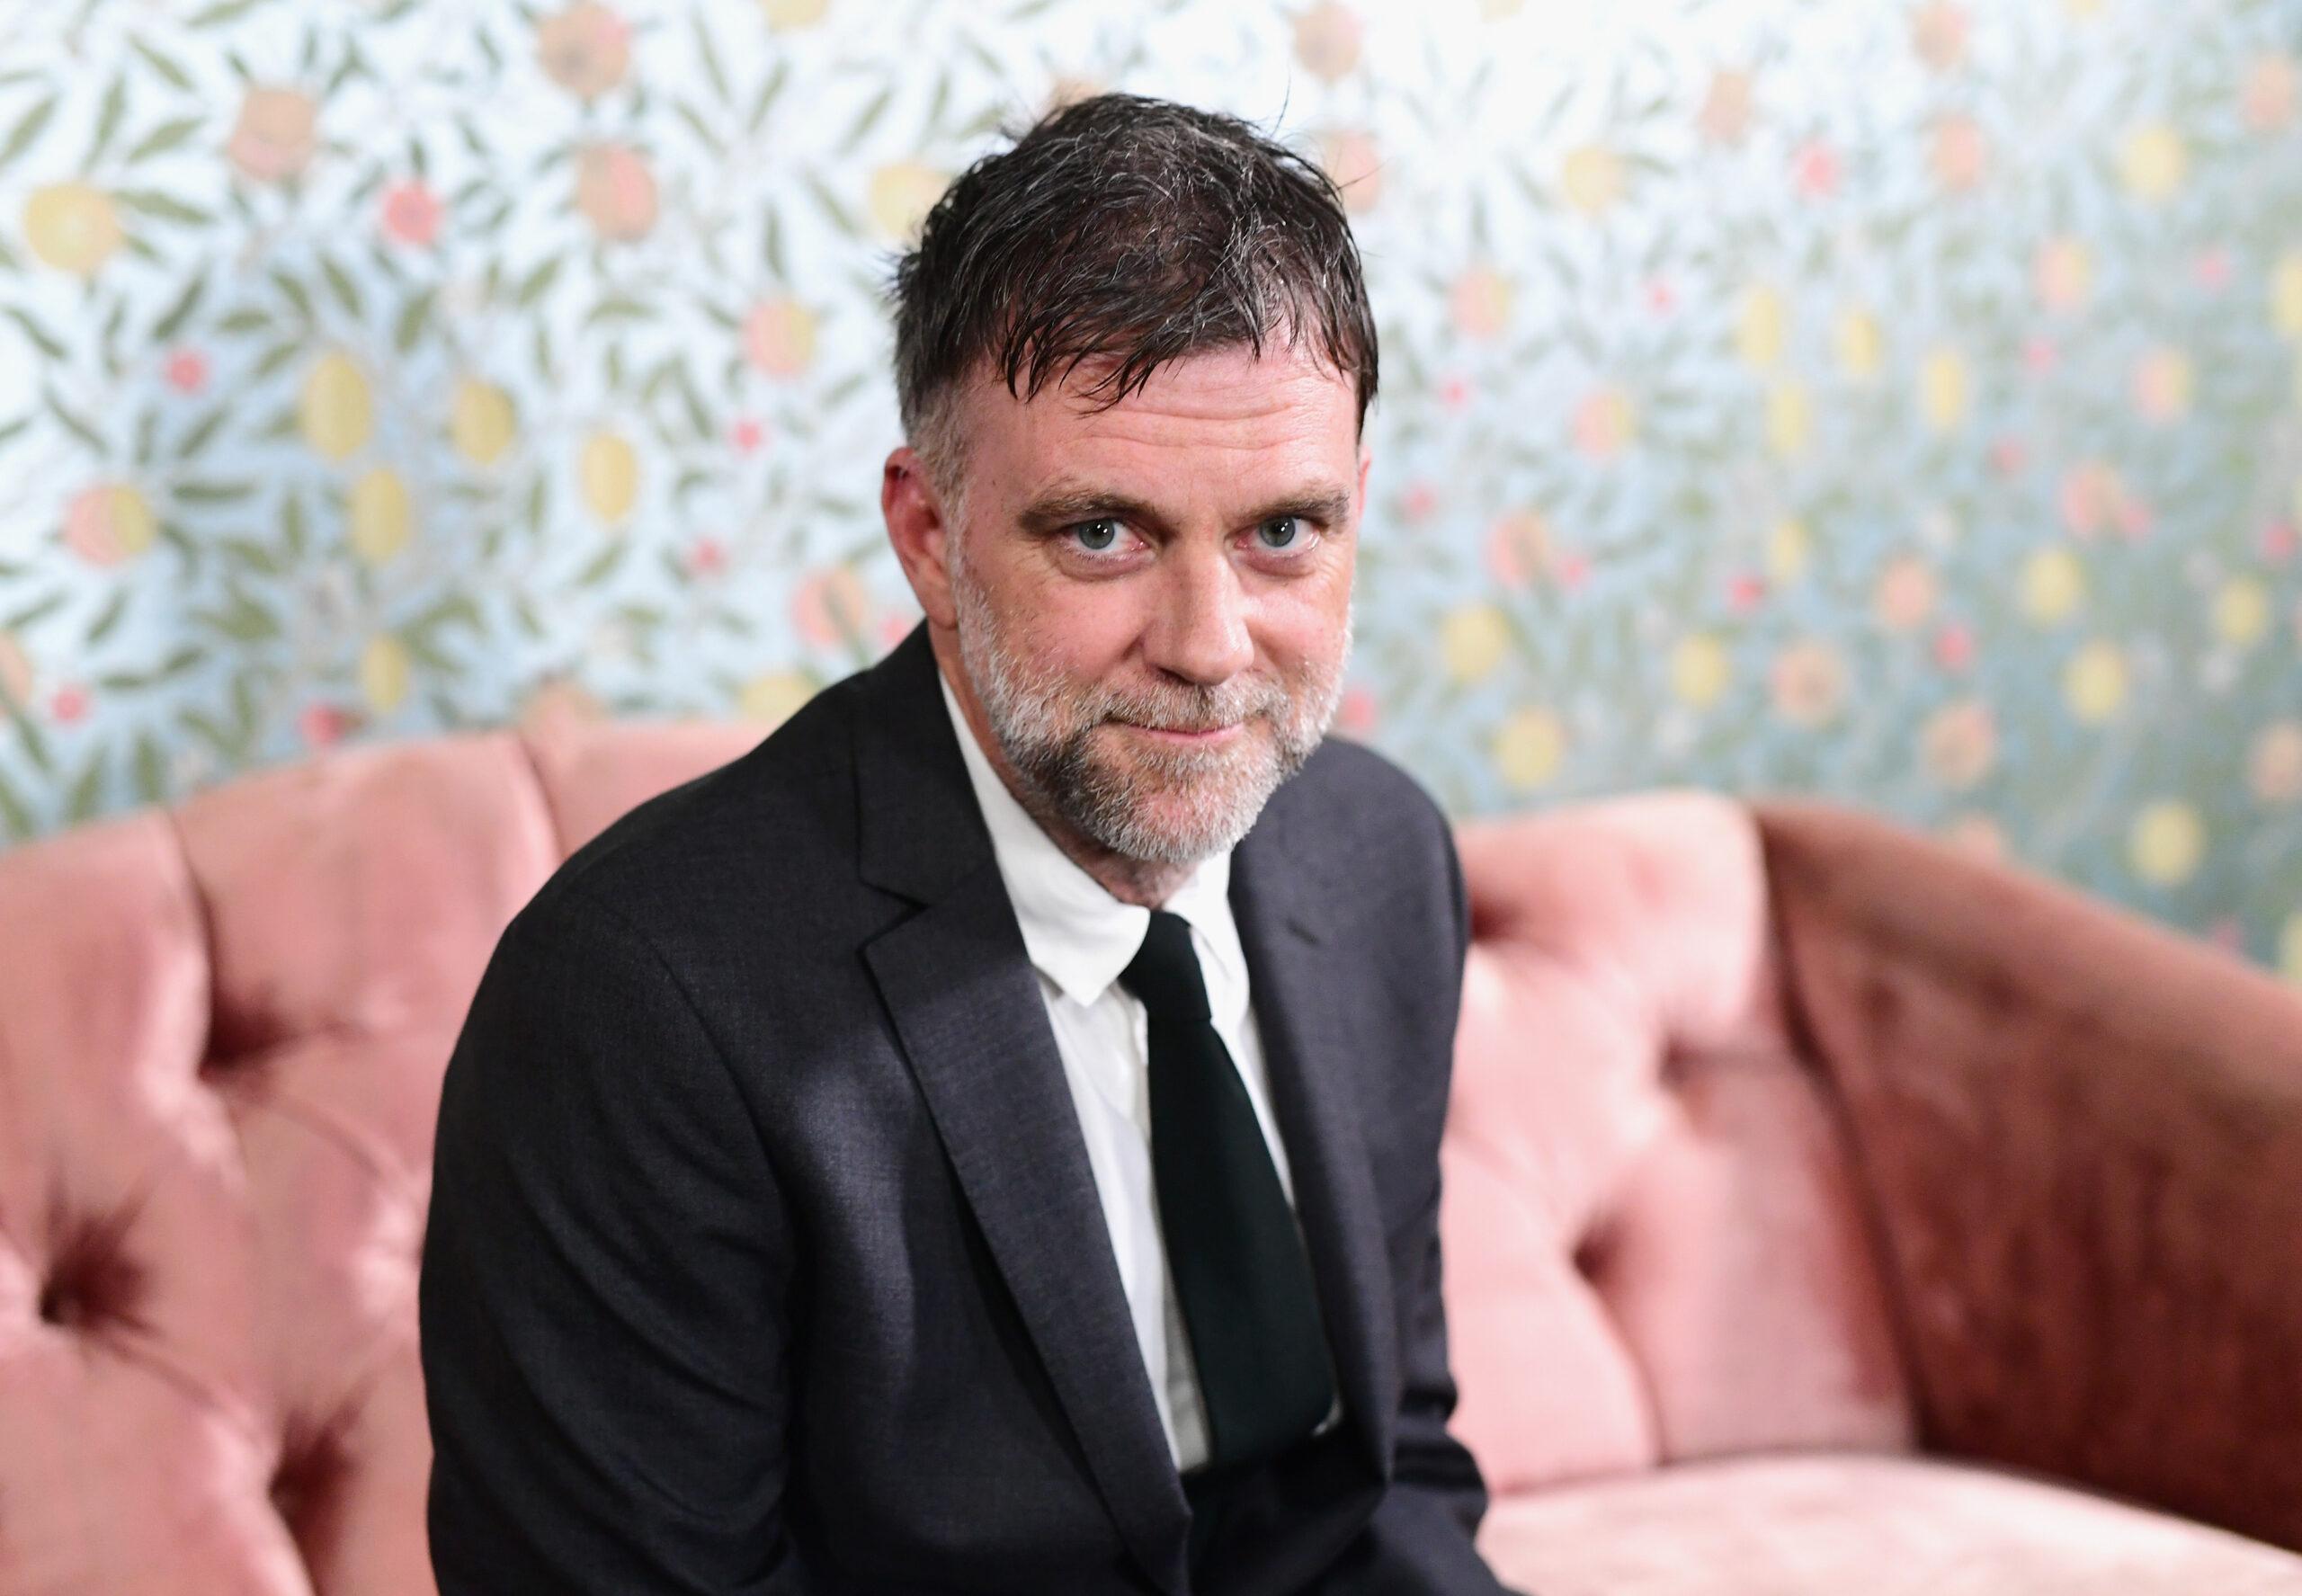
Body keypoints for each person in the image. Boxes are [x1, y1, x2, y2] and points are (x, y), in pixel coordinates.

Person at [419, 91, 1520, 1595]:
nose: (1209, 648)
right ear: (929, 535)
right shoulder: (635, 1007)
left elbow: (1387, 1475)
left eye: (1282, 532)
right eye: (1102, 533)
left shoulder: (1377, 857)